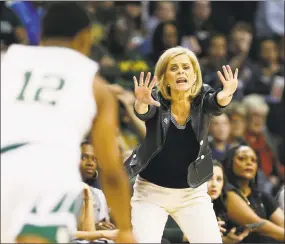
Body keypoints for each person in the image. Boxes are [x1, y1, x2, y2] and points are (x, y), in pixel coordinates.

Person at [1, 2, 135, 243]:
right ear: (85, 38)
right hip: (49, 177)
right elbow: (112, 172)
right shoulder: (95, 86)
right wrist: (125, 229)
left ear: (41, 34)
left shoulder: (7, 62)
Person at [124, 46, 239, 243]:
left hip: (192, 194)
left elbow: (216, 103)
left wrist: (227, 93)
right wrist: (141, 102)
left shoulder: (203, 96)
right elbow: (144, 112)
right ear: (165, 77)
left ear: (194, 75)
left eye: (186, 67)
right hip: (151, 193)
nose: (181, 72)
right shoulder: (155, 98)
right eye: (174, 68)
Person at [224, 145, 285, 243]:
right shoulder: (226, 194)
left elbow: (282, 224)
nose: (249, 163)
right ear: (230, 163)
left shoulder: (263, 196)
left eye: (253, 160)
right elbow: (258, 226)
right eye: (242, 158)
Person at [208, 160, 250, 243]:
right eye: (208, 179)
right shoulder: (188, 207)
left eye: (219, 179)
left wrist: (227, 241)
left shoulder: (219, 206)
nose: (214, 184)